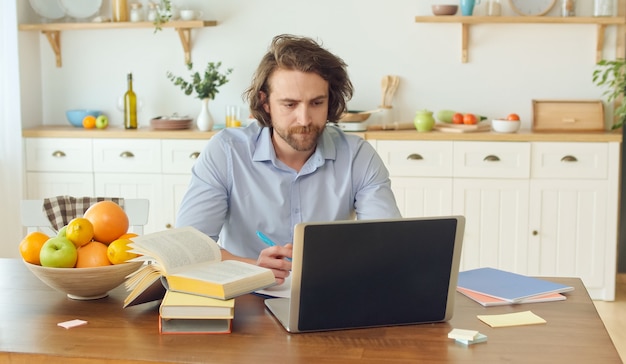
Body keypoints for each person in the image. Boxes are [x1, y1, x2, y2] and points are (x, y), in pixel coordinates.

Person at [176, 34, 401, 283]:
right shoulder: (226, 151)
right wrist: (254, 268)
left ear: (331, 100)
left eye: (316, 102)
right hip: (244, 294)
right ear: (265, 103)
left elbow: (387, 246)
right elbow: (188, 249)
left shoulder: (358, 156)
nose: (304, 119)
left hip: (330, 292)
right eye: (290, 105)